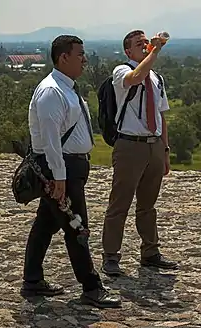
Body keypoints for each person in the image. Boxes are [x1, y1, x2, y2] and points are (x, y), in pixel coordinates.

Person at [20, 35, 121, 308]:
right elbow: (51, 139)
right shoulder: (51, 91)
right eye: (80, 54)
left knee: (46, 224)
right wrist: (60, 178)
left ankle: (32, 281)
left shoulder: (66, 87)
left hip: (68, 166)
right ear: (63, 57)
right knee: (78, 228)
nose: (84, 59)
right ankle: (91, 287)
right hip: (59, 168)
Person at [101, 30, 178, 275]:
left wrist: (165, 150)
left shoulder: (157, 78)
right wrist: (155, 51)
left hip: (153, 143)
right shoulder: (121, 71)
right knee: (120, 203)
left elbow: (161, 115)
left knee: (148, 204)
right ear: (128, 51)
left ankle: (150, 252)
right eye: (139, 43)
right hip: (129, 144)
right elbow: (136, 77)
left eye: (146, 42)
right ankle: (111, 256)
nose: (145, 45)